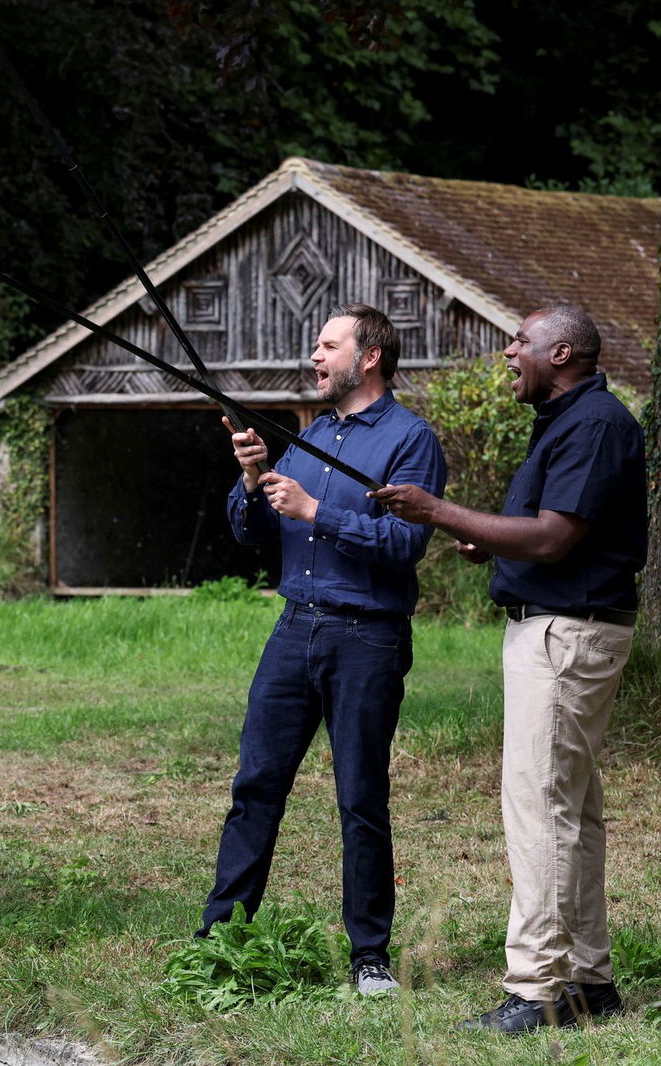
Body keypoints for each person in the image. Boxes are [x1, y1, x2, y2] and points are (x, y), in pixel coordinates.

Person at [373, 305, 646, 1032]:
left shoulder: (594, 424)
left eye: (520, 340)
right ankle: (588, 980)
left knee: (541, 809)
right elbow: (546, 533)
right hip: (560, 629)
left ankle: (538, 989)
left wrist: (437, 511)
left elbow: (553, 539)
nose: (507, 351)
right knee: (571, 811)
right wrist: (486, 538)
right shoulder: (567, 421)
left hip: (564, 635)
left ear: (560, 353)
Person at [198, 302, 446, 996]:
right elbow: (252, 534)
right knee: (255, 786)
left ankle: (370, 956)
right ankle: (222, 940)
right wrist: (253, 480)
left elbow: (405, 544)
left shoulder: (410, 440)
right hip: (293, 629)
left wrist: (316, 510)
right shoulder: (310, 435)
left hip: (367, 637)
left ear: (369, 357)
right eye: (317, 345)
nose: (315, 356)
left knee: (360, 796)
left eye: (328, 345)